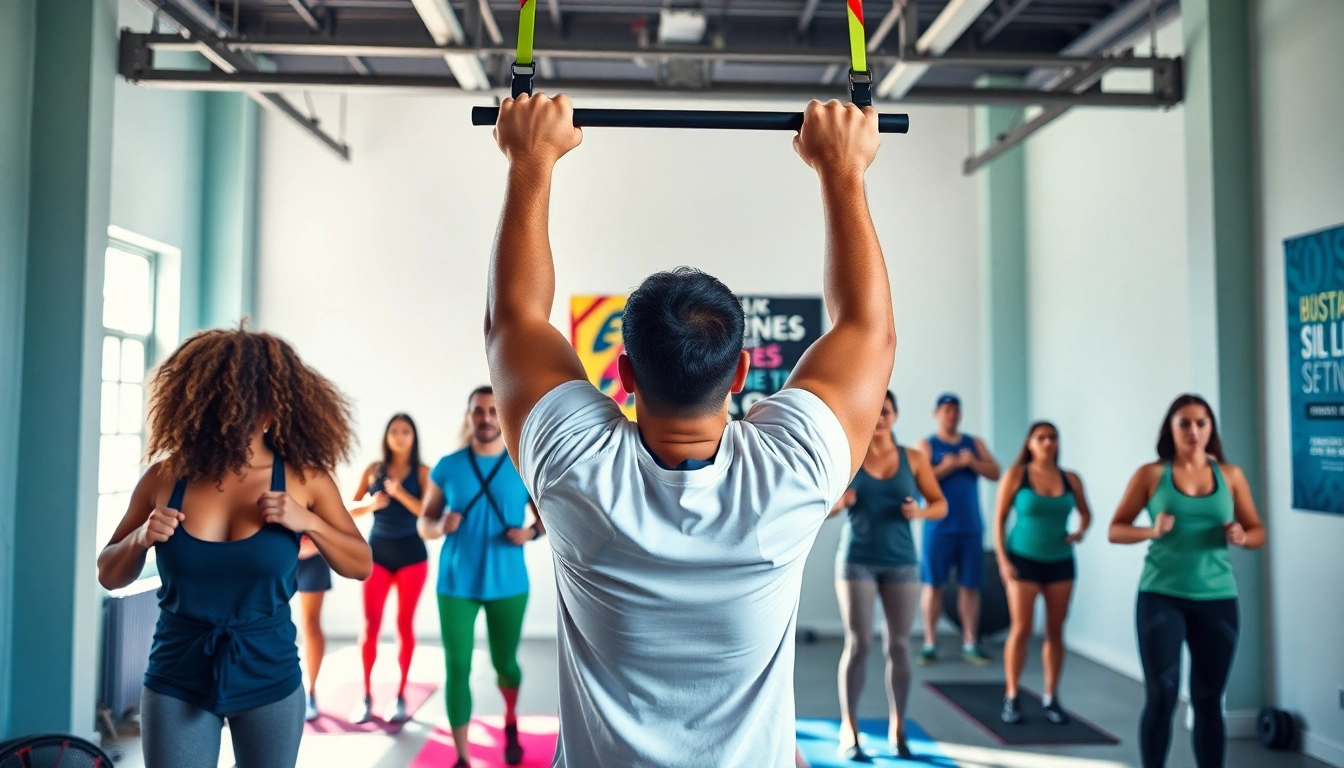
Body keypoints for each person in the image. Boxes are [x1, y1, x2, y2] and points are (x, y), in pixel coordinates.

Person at [484, 94, 895, 766]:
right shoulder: (789, 472)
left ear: (624, 373)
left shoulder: (576, 467)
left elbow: (514, 321)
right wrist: (842, 169)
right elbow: (866, 330)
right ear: (740, 372)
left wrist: (532, 159)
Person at [95, 327, 372, 768]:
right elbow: (109, 574)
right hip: (177, 675)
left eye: (252, 400)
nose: (238, 412)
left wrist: (310, 522)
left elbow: (360, 565)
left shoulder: (305, 478)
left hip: (270, 675)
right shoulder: (165, 477)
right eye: (226, 400)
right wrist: (140, 537)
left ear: (276, 405)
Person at [1109, 394, 1265, 768]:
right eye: (1185, 423)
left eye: (1201, 422)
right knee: (1162, 696)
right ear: (1171, 429)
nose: (1193, 430)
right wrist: (1151, 530)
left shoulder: (1231, 475)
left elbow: (1258, 530)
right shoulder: (1150, 474)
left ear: (1211, 429)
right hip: (1161, 595)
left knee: (1209, 700)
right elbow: (1116, 529)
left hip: (1218, 598)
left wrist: (1243, 537)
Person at [420, 387, 544, 768]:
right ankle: (462, 756)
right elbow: (424, 524)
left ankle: (509, 723)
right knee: (458, 667)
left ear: (501, 415)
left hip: (508, 583)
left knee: (505, 663)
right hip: (456, 583)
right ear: (469, 416)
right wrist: (441, 524)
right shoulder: (447, 466)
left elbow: (547, 518)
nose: (486, 417)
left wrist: (531, 533)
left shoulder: (522, 464)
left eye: (492, 411)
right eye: (478, 411)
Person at [829, 392, 947, 761]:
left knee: (898, 646)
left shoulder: (914, 458)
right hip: (857, 560)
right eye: (875, 411)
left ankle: (899, 726)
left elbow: (939, 504)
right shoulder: (851, 454)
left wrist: (920, 514)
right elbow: (823, 506)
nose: (880, 417)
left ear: (895, 416)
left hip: (901, 561)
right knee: (859, 644)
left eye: (887, 411)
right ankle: (850, 729)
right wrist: (841, 502)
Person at [992, 421, 1093, 726]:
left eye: (1052, 437)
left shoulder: (1071, 478)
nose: (1048, 442)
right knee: (1021, 628)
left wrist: (1080, 532)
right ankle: (1011, 695)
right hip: (1023, 560)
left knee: (1055, 630)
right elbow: (999, 520)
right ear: (1030, 443)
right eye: (1041, 438)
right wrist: (1002, 561)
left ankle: (1051, 696)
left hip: (1060, 561)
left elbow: (1086, 512)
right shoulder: (1017, 475)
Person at [347, 414, 431, 724]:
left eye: (405, 431)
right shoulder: (372, 470)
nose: (399, 435)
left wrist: (401, 494)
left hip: (412, 555)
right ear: (386, 436)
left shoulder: (423, 472)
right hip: (377, 555)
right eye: (394, 430)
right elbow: (348, 509)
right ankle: (366, 696)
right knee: (370, 627)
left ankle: (400, 696)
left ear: (413, 436)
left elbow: (429, 512)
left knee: (404, 626)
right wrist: (371, 505)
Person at [916, 393, 1001, 666]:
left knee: (970, 586)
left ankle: (970, 642)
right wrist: (946, 467)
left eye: (955, 410)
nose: (951, 415)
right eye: (946, 410)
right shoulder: (927, 446)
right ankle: (929, 642)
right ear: (937, 414)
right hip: (938, 528)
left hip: (970, 528)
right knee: (934, 584)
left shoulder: (973, 444)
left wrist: (972, 463)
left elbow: (996, 472)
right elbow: (919, 480)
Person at [295, 537, 332, 722]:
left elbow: (340, 515)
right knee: (261, 621)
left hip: (313, 557)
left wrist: (319, 540)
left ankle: (310, 692)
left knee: (310, 624)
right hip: (275, 552)